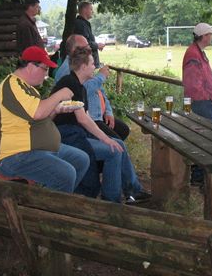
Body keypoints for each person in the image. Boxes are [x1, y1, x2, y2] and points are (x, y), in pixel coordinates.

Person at [53, 49, 148, 203]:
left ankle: (121, 194)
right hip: (65, 137)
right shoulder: (70, 84)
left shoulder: (79, 86)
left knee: (117, 144)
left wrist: (106, 138)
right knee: (113, 150)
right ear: (83, 66)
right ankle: (111, 200)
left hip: (75, 133)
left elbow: (86, 117)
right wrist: (105, 139)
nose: (95, 67)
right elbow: (83, 120)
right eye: (92, 64)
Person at [0, 46, 89, 193]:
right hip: (15, 155)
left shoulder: (27, 88)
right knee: (66, 174)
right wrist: (59, 95)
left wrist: (56, 109)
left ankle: (60, 199)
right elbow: (37, 113)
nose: (46, 74)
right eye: (45, 69)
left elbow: (40, 117)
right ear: (31, 66)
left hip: (36, 150)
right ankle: (51, 205)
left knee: (81, 159)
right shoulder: (12, 85)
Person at [56, 34, 130, 140]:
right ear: (75, 49)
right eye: (86, 46)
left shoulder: (83, 63)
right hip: (89, 119)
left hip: (99, 115)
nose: (90, 48)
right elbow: (82, 91)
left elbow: (100, 90)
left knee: (123, 130)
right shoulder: (67, 70)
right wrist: (101, 76)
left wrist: (108, 111)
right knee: (117, 142)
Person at [182, 22, 212, 121]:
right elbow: (193, 85)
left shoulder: (197, 51)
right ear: (204, 36)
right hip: (202, 104)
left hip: (204, 103)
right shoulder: (193, 54)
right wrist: (208, 98)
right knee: (206, 130)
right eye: (210, 34)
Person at [73, 1, 104, 67]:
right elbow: (84, 43)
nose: (92, 12)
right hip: (85, 64)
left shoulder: (83, 23)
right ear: (85, 10)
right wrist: (97, 45)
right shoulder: (80, 24)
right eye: (91, 9)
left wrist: (96, 45)